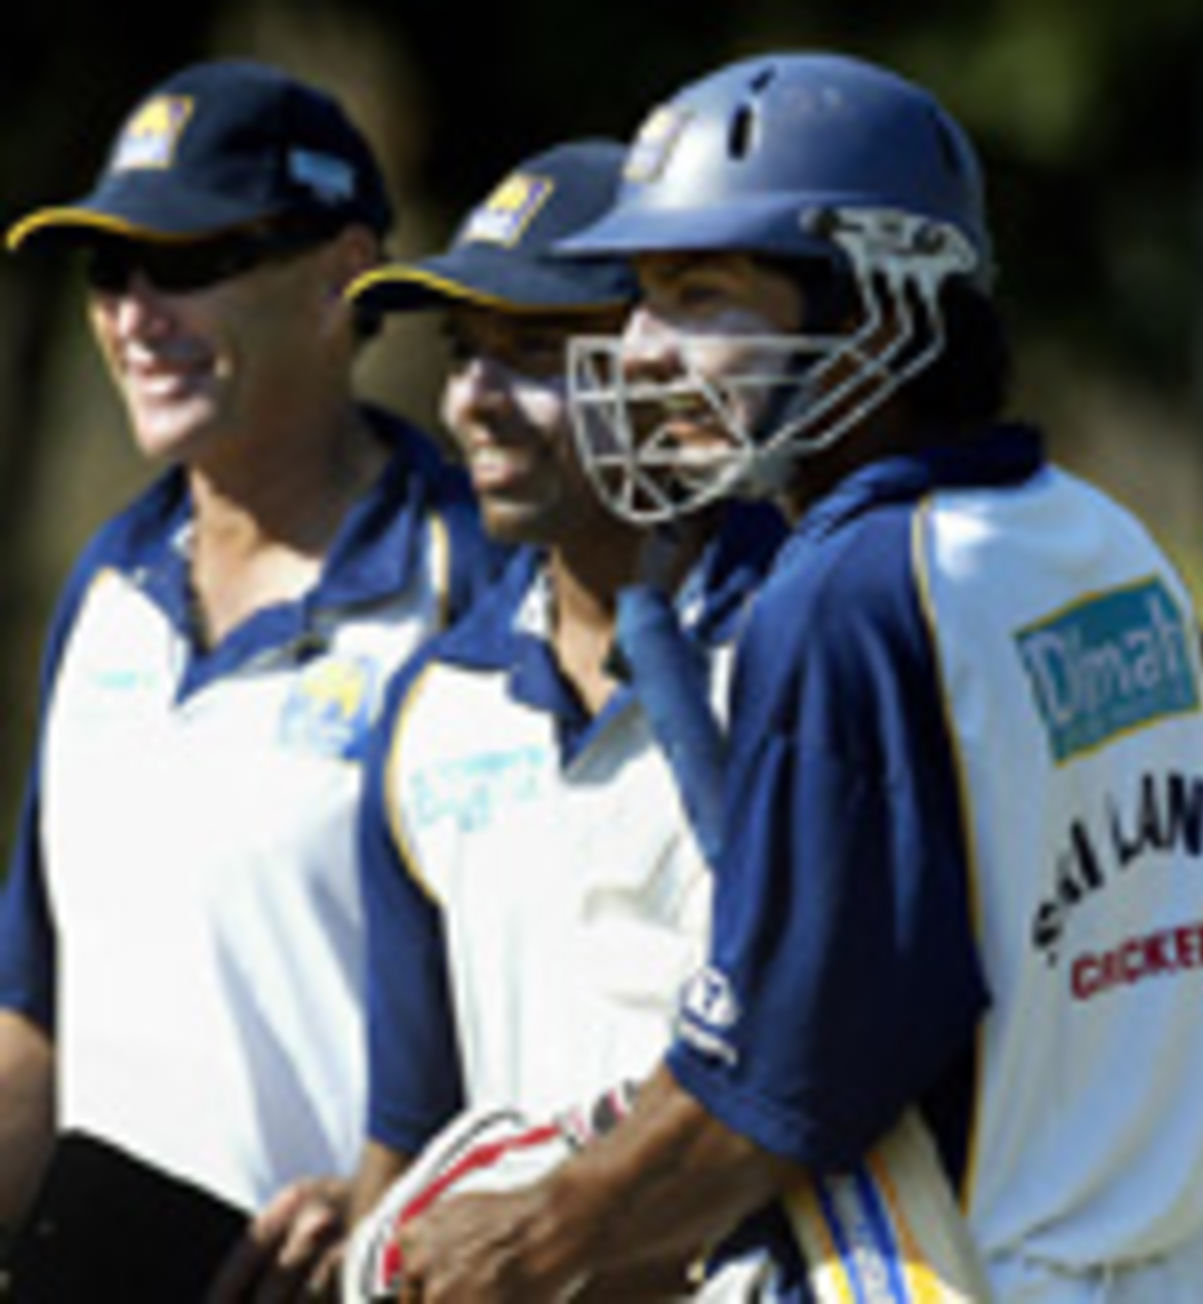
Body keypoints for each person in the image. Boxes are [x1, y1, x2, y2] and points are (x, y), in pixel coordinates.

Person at [388, 51, 1203, 1302]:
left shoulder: (847, 589)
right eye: (638, 296)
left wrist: (538, 1228)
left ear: (880, 302)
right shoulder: (1108, 545)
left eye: (698, 293)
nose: (639, 353)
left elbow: (780, 1077)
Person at [0, 58, 504, 1300]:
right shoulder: (109, 586)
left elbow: (581, 1011)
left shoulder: (480, 585)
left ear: (341, 274)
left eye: (186, 263)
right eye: (109, 272)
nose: (133, 314)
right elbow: (33, 1011)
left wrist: (399, 1206)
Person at [335, 139, 785, 1298]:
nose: (472, 400)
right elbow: (412, 1132)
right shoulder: (434, 708)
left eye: (533, 350)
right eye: (462, 354)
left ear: (663, 361)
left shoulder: (805, 647)